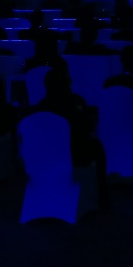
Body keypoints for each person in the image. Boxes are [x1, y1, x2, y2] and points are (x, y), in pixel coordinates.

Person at [30, 64, 106, 203]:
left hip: (47, 157)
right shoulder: (76, 102)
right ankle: (101, 196)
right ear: (68, 84)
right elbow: (85, 128)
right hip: (76, 156)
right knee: (98, 147)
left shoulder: (40, 107)